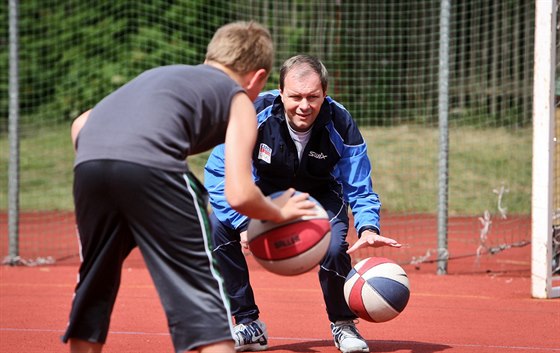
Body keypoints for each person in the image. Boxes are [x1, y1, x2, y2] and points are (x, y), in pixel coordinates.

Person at [62, 22, 318, 353]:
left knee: (94, 282)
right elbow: (239, 194)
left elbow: (81, 122)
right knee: (200, 294)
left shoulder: (162, 75)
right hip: (154, 168)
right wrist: (277, 211)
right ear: (258, 77)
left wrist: (108, 170)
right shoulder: (238, 98)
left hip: (90, 165)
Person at [204, 54, 402, 353]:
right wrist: (244, 222)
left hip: (320, 193)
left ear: (325, 93)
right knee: (220, 225)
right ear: (281, 92)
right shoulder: (252, 113)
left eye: (313, 96)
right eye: (295, 96)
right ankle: (248, 323)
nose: (304, 106)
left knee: (335, 248)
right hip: (267, 190)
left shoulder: (341, 122)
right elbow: (220, 171)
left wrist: (368, 227)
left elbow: (359, 186)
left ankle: (343, 323)